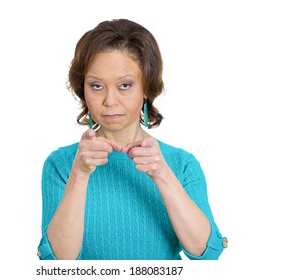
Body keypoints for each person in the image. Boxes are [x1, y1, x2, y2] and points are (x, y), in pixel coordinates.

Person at [37, 19, 227, 260]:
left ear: (146, 87)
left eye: (125, 85)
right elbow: (58, 262)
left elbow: (206, 252)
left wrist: (162, 175)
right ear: (82, 89)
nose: (110, 101)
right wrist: (79, 174)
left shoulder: (181, 164)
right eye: (96, 86)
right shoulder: (61, 164)